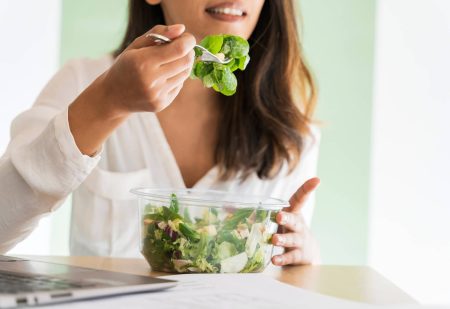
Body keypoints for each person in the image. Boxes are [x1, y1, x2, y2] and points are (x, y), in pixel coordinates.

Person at [0, 0, 321, 266]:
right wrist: (106, 103)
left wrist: (305, 259)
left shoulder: (291, 134)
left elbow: (284, 277)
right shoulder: (82, 81)